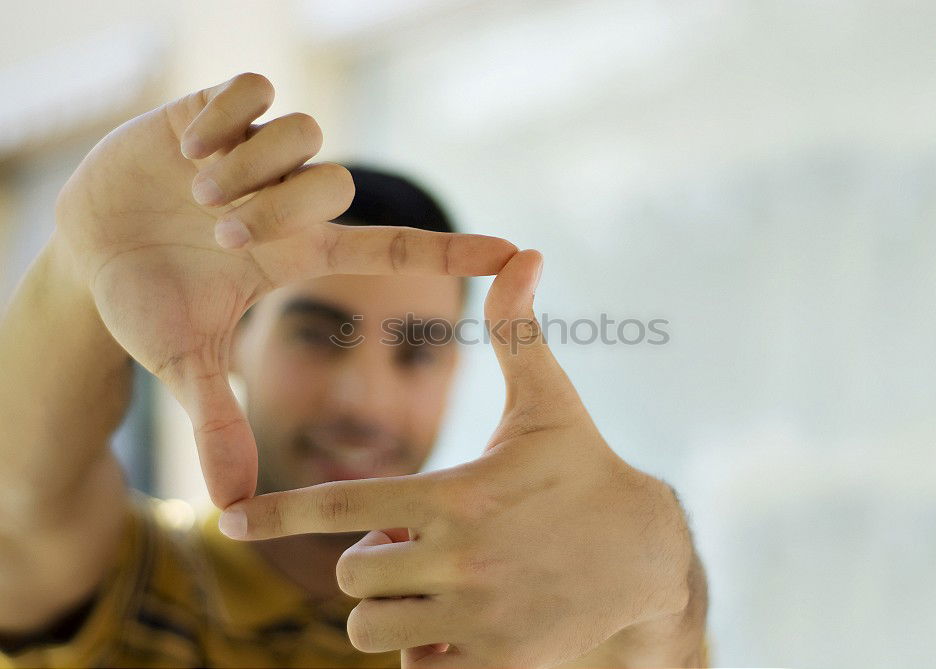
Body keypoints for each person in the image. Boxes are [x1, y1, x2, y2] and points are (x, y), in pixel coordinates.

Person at [0, 73, 707, 668]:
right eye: (318, 336)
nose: (361, 399)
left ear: (457, 370)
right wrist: (76, 266)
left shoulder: (528, 622)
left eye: (417, 350)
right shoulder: (135, 579)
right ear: (238, 338)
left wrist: (663, 582)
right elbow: (20, 500)